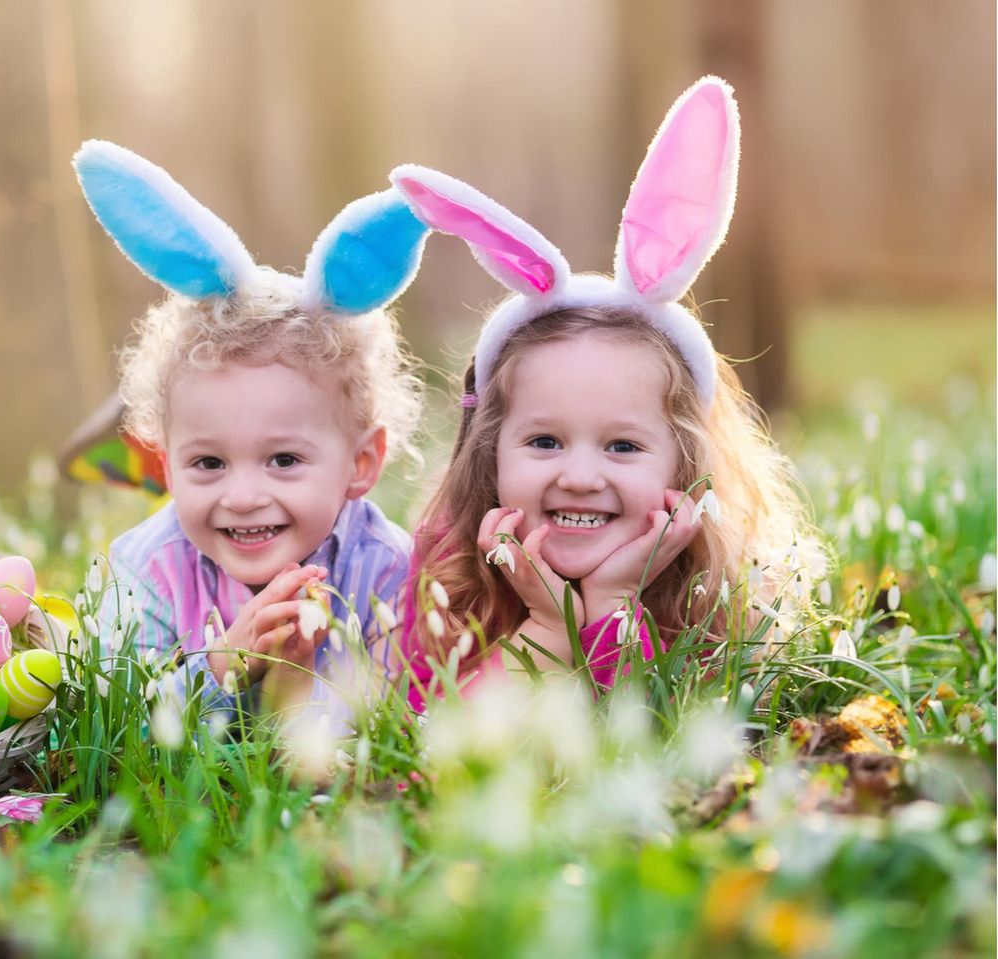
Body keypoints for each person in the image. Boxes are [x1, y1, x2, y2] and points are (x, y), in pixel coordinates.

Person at [388, 77, 819, 708]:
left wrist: (614, 601)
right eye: (544, 441)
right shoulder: (449, 568)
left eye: (622, 445)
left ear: (686, 462)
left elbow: (658, 744)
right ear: (491, 451)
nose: (581, 476)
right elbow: (439, 747)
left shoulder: (714, 586)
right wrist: (545, 628)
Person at [74, 140, 430, 719]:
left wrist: (313, 686)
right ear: (164, 461)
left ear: (360, 463)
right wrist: (222, 668)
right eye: (208, 463)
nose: (241, 497)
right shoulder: (147, 570)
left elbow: (412, 713)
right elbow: (114, 727)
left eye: (284, 460)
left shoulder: (384, 568)